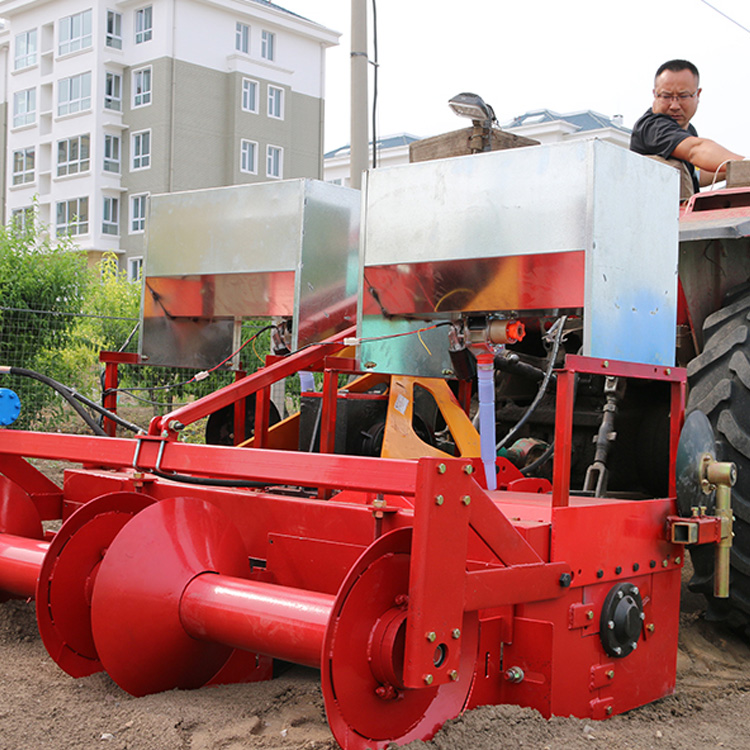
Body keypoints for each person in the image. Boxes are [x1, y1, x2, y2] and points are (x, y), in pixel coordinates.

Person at [630, 59, 744, 201]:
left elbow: (696, 174)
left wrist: (738, 169)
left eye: (683, 96)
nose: (674, 105)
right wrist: (744, 162)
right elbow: (695, 150)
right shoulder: (652, 127)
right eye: (666, 96)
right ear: (655, 94)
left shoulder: (687, 131)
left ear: (698, 94)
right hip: (661, 218)